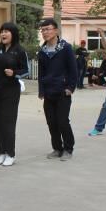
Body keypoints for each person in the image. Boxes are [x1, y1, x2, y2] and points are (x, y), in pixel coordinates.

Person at [0, 22, 29, 166]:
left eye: (6, 31)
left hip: (11, 91)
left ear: (13, 34)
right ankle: (1, 153)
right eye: (2, 31)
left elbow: (26, 71)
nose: (3, 34)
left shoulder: (19, 51)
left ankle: (10, 154)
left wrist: (14, 73)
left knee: (8, 122)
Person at [37, 19, 78, 161]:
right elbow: (41, 73)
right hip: (49, 91)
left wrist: (70, 87)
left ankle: (68, 148)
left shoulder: (65, 48)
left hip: (62, 91)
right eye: (43, 30)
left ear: (56, 30)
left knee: (62, 121)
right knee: (51, 122)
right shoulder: (42, 51)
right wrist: (41, 90)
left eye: (48, 29)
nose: (45, 32)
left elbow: (73, 69)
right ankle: (57, 148)